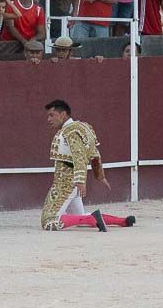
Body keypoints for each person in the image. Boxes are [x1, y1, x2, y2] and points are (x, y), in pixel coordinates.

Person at [40, 99, 134, 232]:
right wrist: (99, 175)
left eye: (52, 115)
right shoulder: (83, 127)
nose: (49, 119)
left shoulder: (69, 131)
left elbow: (79, 156)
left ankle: (91, 219)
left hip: (65, 183)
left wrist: (80, 181)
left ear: (63, 114)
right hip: (72, 183)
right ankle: (123, 221)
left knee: (48, 221)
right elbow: (94, 153)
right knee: (79, 217)